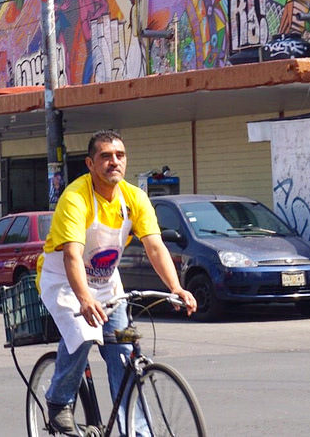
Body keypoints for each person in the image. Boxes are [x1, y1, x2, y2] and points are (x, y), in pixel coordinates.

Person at [36, 130, 197, 436]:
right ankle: (58, 400)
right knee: (84, 333)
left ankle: (133, 431)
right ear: (90, 163)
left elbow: (155, 246)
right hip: (65, 281)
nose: (114, 162)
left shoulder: (135, 197)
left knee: (124, 357)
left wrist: (176, 288)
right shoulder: (75, 197)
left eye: (120, 156)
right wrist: (84, 299)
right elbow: (72, 255)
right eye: (106, 156)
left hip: (107, 282)